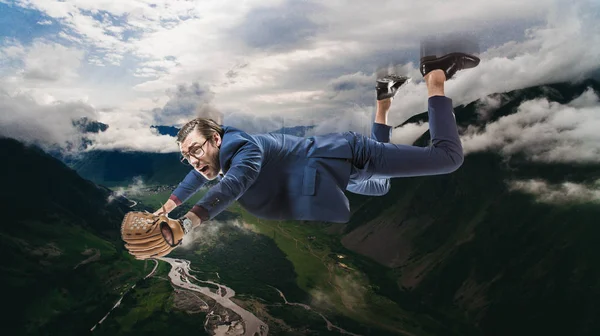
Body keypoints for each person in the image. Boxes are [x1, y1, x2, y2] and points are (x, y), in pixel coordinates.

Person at [154, 52, 479, 244]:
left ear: (216, 140)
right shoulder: (215, 153)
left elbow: (231, 186)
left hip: (352, 156)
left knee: (448, 158)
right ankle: (384, 99)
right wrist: (165, 210)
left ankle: (435, 73)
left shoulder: (243, 151)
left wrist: (185, 225)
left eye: (195, 150)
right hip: (341, 172)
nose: (193, 161)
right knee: (380, 188)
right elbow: (198, 178)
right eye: (187, 156)